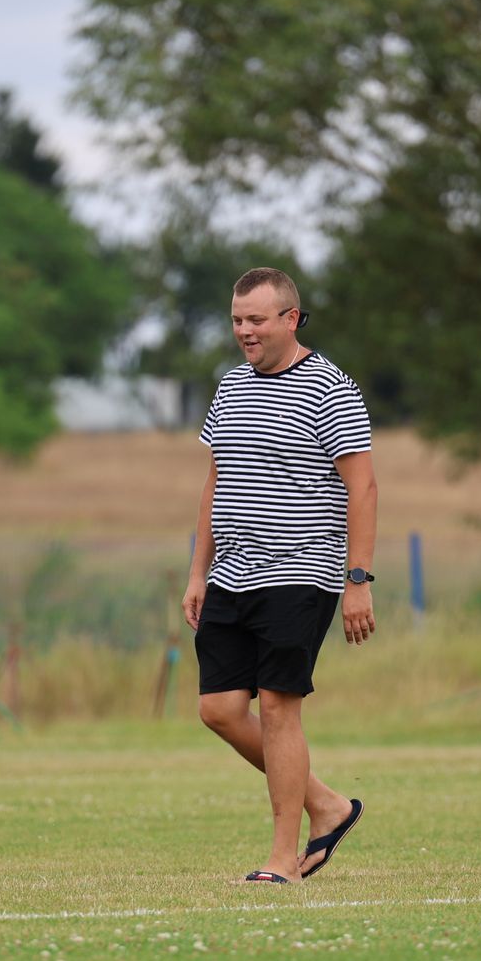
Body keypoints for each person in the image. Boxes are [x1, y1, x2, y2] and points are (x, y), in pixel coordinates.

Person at [182, 267, 376, 884]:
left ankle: (281, 859)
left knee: (277, 710)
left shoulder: (330, 388)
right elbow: (215, 485)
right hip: (230, 576)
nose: (244, 331)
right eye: (238, 320)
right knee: (217, 709)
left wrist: (358, 580)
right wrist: (198, 572)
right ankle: (327, 805)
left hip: (301, 571)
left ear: (290, 319)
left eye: (256, 320)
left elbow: (363, 488)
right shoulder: (230, 387)